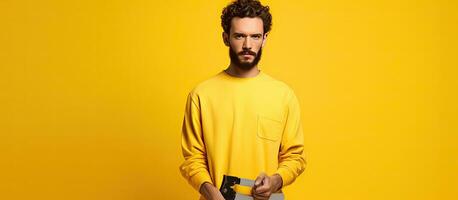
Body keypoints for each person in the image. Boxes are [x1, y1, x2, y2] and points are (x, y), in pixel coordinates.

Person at [179, 0, 306, 199]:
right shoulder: (201, 95)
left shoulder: (283, 95)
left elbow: (295, 157)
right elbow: (192, 159)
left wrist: (275, 181)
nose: (248, 45)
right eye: (239, 36)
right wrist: (210, 193)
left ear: (264, 39)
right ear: (226, 38)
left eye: (255, 36)